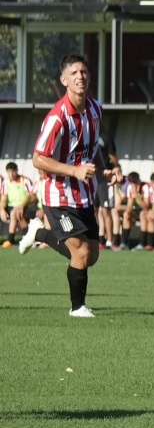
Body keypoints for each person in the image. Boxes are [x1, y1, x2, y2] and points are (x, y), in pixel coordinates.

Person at [18, 54, 115, 317]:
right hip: (57, 195)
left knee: (92, 255)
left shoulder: (95, 110)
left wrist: (103, 170)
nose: (80, 76)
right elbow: (38, 158)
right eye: (73, 73)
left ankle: (39, 233)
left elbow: (91, 147)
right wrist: (74, 170)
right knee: (81, 253)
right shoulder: (57, 117)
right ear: (64, 80)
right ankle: (78, 308)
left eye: (83, 72)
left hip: (84, 195)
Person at [1, 162, 37, 248]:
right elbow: (3, 198)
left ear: (17, 171)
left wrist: (22, 206)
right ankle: (27, 238)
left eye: (13, 171)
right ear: (6, 172)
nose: (12, 174)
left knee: (16, 213)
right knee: (15, 212)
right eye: (9, 172)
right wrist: (1, 210)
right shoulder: (6, 182)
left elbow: (31, 196)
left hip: (26, 206)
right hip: (11, 206)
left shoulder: (25, 180)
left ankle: (10, 239)